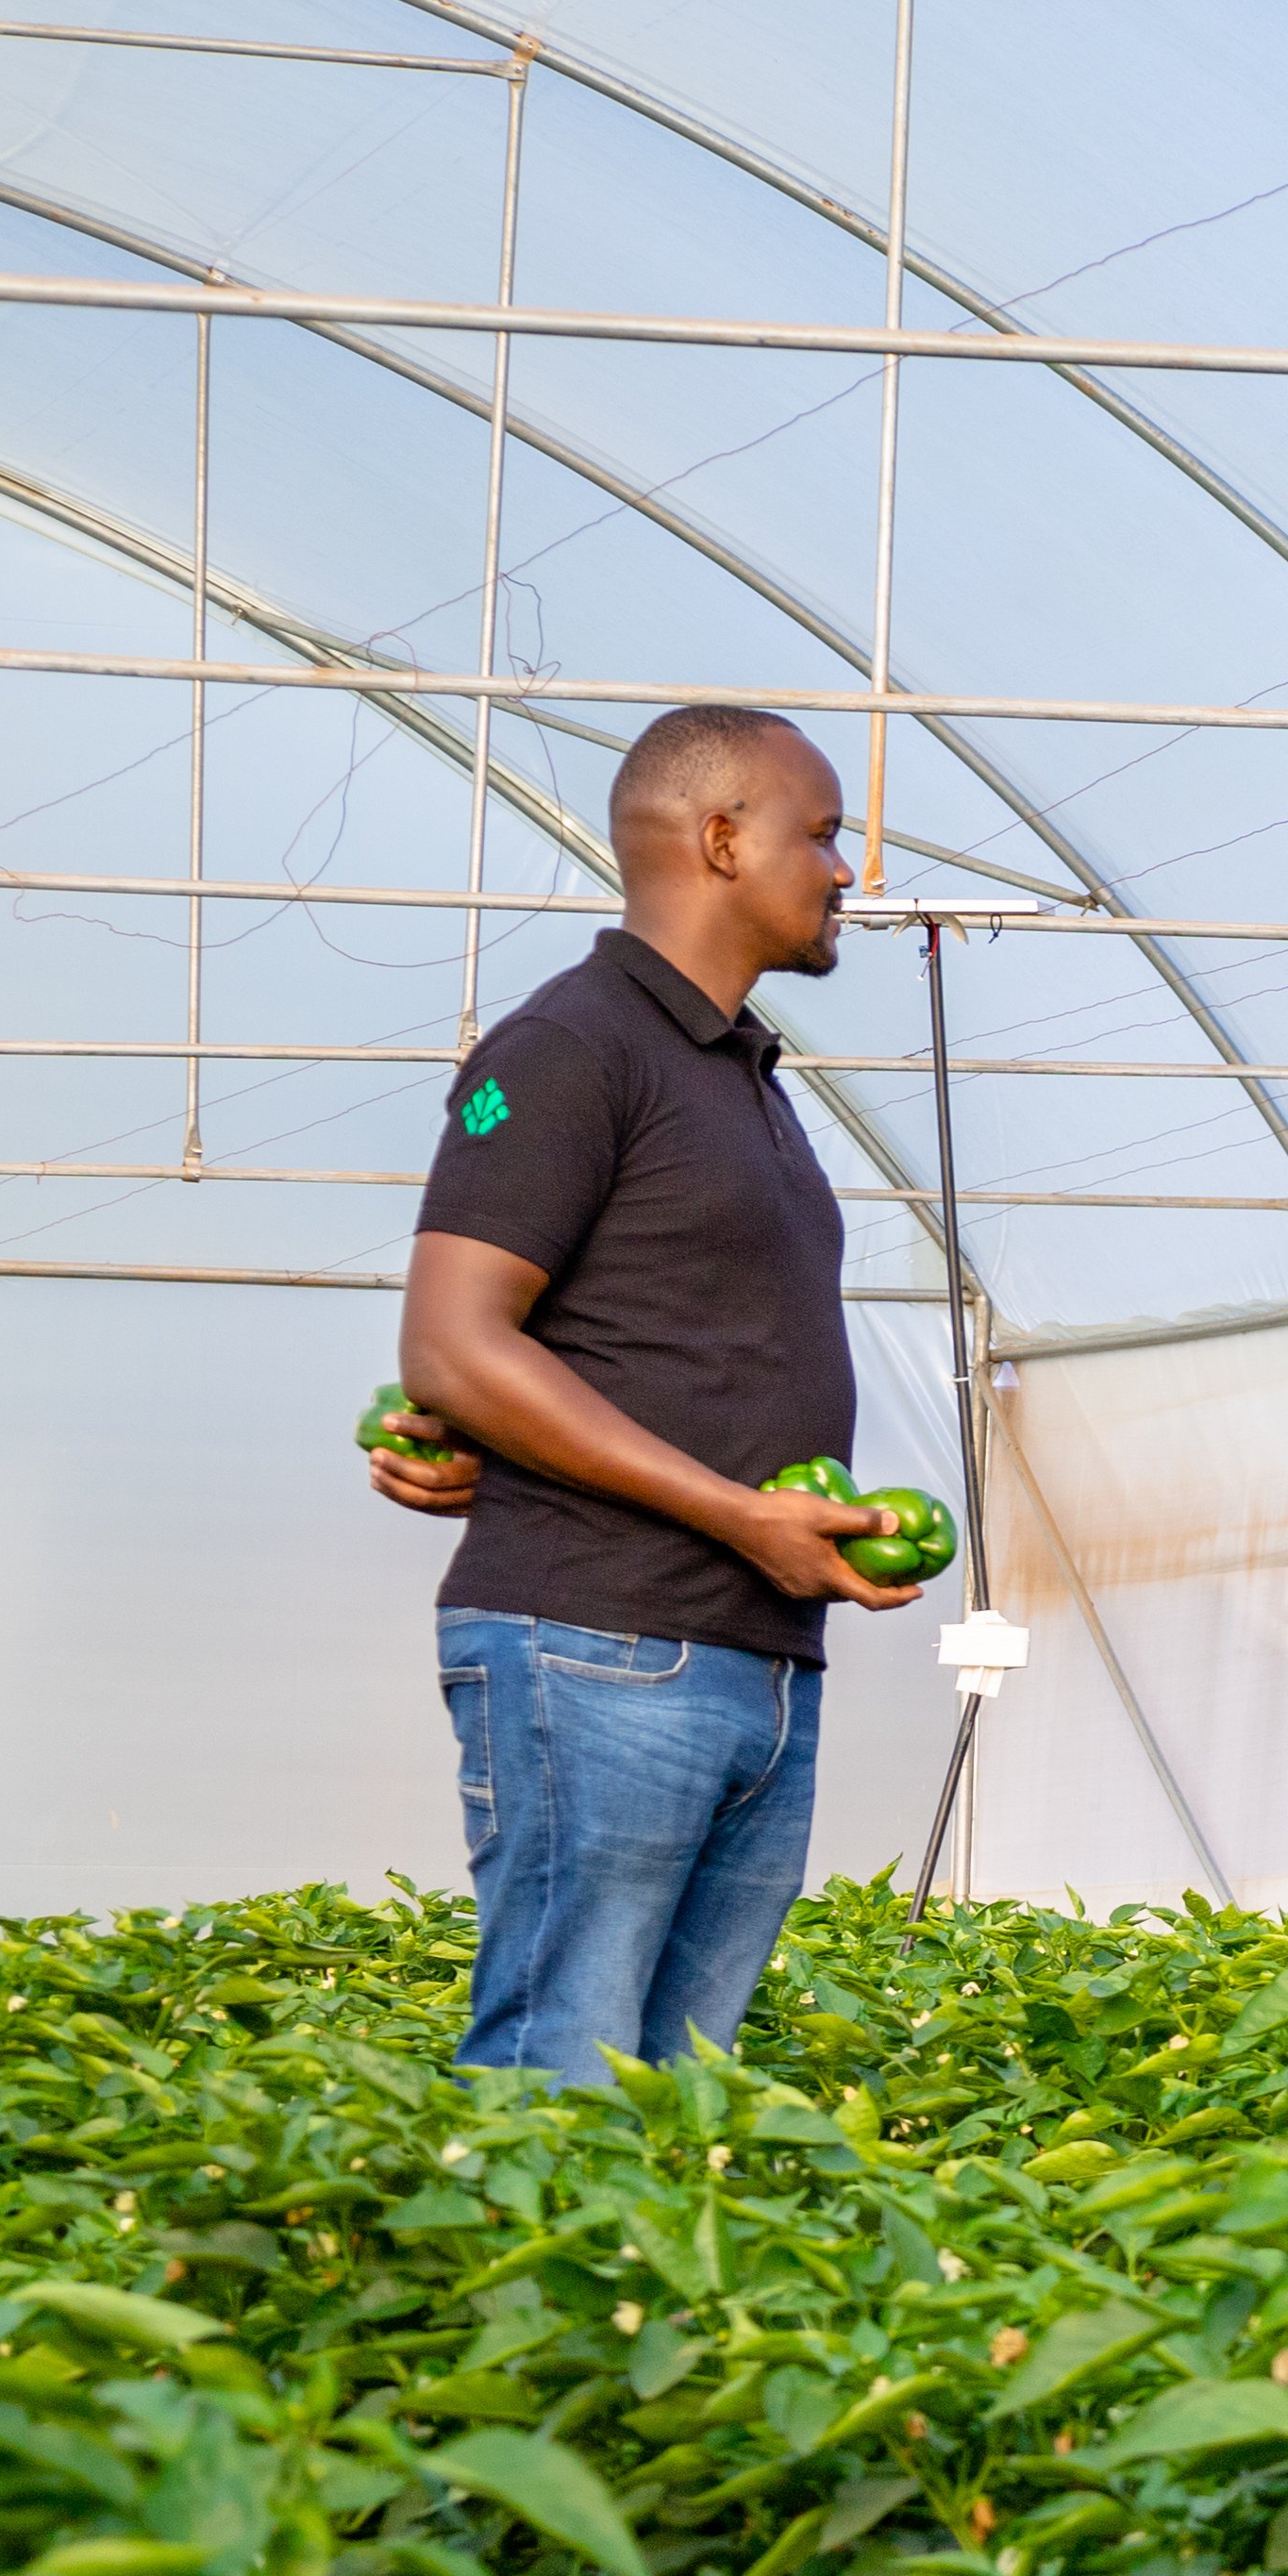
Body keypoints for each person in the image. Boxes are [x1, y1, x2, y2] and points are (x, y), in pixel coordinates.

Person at [360, 705, 916, 2082]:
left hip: (751, 1648)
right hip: (597, 1642)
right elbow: (453, 1347)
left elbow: (618, 1341)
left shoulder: (739, 1069)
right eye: (824, 834)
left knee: (675, 2090)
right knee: (567, 2066)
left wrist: (755, 1538)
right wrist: (737, 1512)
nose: (847, 871)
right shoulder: (573, 1046)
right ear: (722, 839)